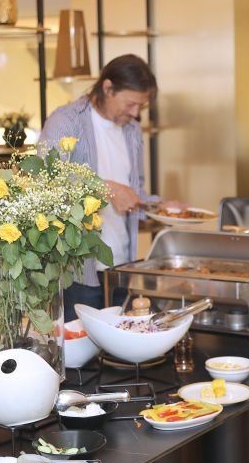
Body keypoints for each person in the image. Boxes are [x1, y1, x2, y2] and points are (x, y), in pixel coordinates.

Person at [38, 54, 160, 322]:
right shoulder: (66, 120)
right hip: (78, 268)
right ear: (108, 88)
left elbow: (134, 190)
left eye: (140, 106)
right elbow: (47, 180)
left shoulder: (131, 130)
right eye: (130, 103)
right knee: (80, 345)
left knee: (120, 342)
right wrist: (106, 188)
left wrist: (160, 207)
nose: (135, 113)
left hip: (122, 263)